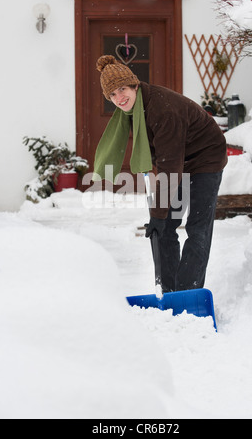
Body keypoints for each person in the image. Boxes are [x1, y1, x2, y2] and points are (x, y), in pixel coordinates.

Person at [93, 55, 227, 292]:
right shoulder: (134, 110)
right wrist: (160, 216)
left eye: (122, 89)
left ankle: (188, 291)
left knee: (197, 227)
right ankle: (168, 291)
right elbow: (167, 161)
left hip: (206, 157)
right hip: (179, 161)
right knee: (164, 227)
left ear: (134, 85)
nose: (119, 98)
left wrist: (157, 212)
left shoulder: (162, 109)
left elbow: (170, 166)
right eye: (112, 94)